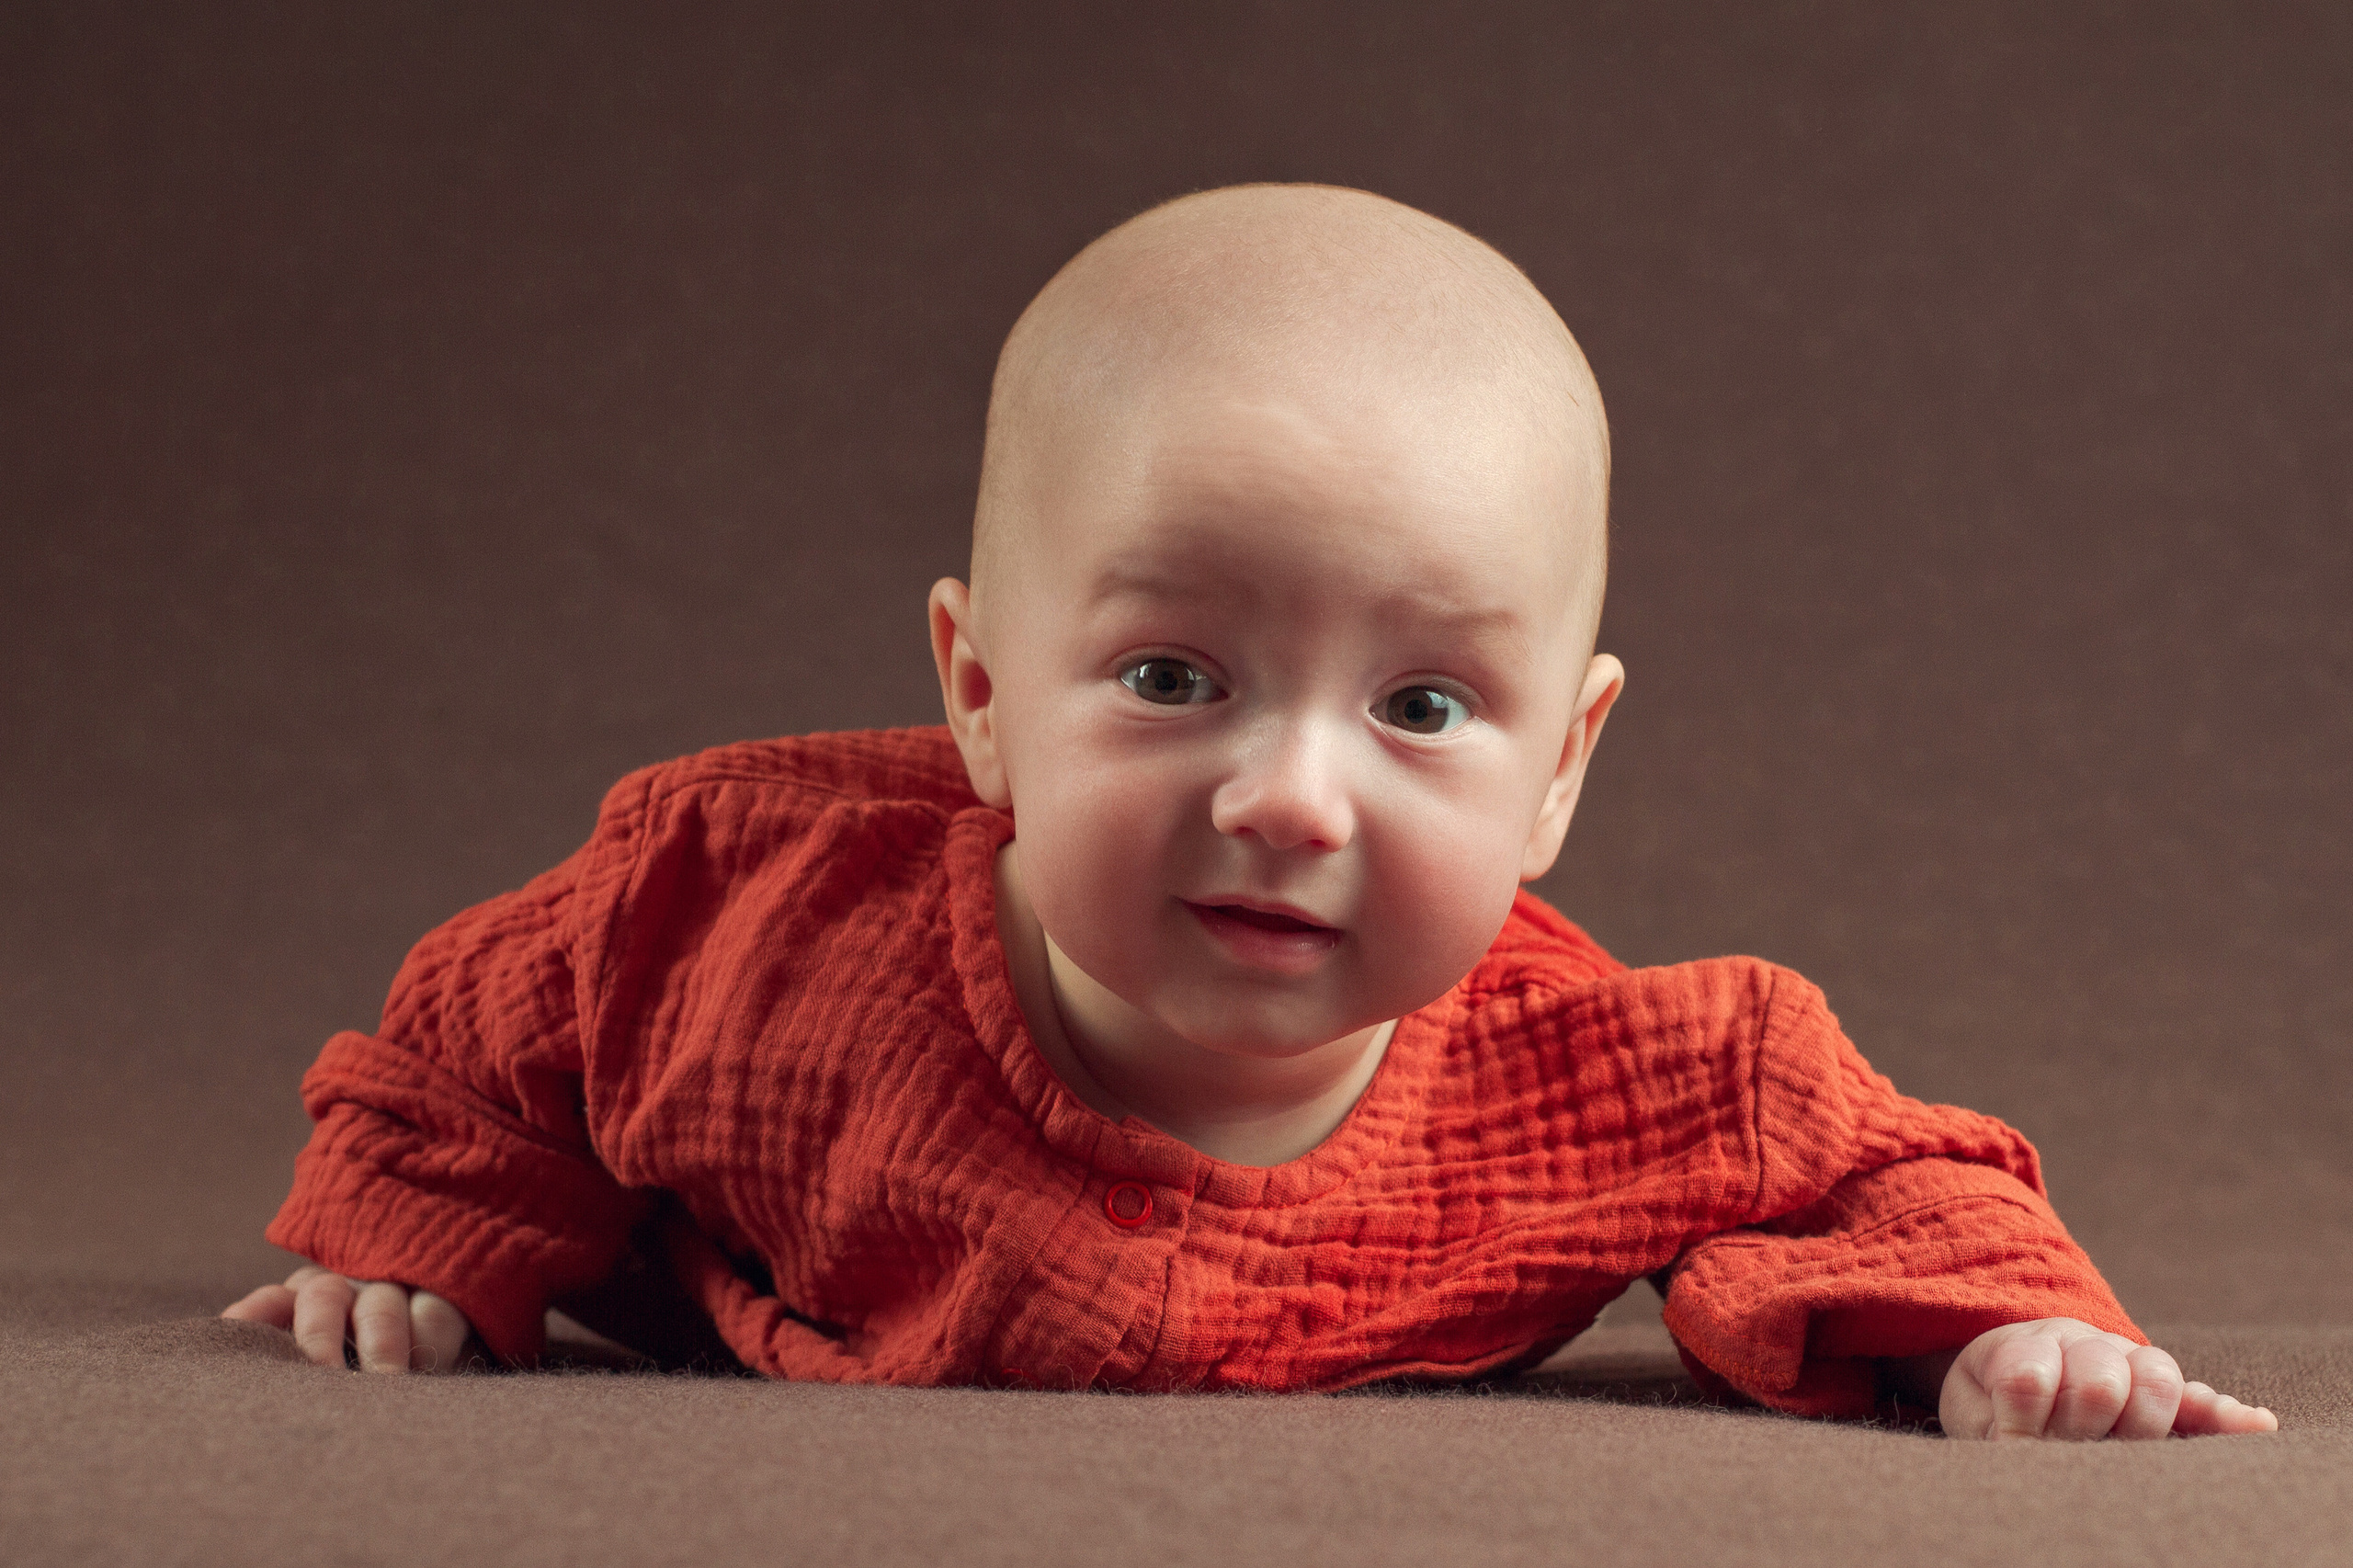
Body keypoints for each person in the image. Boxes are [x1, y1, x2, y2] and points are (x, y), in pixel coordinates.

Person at [223, 183, 2276, 1441]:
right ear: (979, 693)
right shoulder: (735, 909)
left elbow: (1880, 1180)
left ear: (1560, 768)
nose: (1291, 797)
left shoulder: (1614, 1079)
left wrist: (1999, 1332)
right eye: (1171, 677)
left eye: (1421, 707)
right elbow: (486, 1043)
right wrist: (427, 1243)